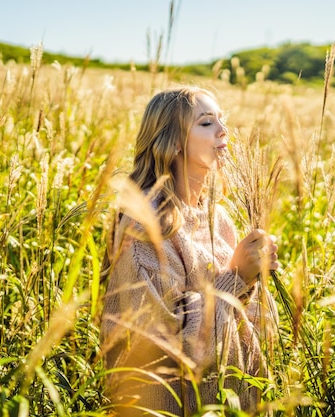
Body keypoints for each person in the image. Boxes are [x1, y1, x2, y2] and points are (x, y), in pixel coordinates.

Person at [100, 85, 279, 416]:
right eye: (207, 122)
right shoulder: (146, 227)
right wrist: (236, 277)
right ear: (175, 141)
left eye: (222, 120)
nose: (224, 130)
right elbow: (165, 349)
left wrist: (255, 279)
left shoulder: (219, 219)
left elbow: (251, 329)